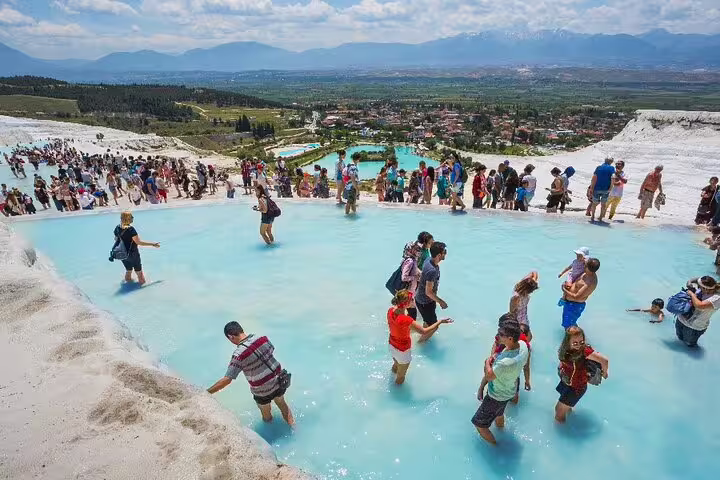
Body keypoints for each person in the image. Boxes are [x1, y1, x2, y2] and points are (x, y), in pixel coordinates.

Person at [207, 321, 294, 425]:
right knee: (282, 405)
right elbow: (271, 349)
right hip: (278, 382)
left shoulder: (238, 355)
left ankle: (270, 433)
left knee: (266, 415)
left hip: (262, 391)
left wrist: (207, 392)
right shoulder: (262, 339)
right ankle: (294, 427)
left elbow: (227, 379)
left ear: (231, 337)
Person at [472, 321, 529, 445]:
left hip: (496, 396)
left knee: (479, 425)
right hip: (510, 390)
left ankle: (496, 447)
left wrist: (487, 361)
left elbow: (489, 376)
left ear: (510, 338)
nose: (498, 336)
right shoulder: (523, 345)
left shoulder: (504, 363)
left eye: (501, 334)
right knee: (499, 413)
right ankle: (501, 430)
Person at [387, 290, 453, 385]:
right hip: (403, 350)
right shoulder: (407, 320)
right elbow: (424, 331)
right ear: (406, 304)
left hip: (392, 345)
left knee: (396, 364)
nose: (413, 300)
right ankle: (395, 393)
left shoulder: (390, 311)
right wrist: (440, 322)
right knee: (401, 376)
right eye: (412, 299)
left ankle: (392, 376)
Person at [555, 326, 609, 423]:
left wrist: (605, 373)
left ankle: (562, 433)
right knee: (565, 408)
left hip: (576, 388)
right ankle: (569, 414)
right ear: (567, 342)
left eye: (582, 342)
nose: (579, 345)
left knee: (558, 413)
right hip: (567, 382)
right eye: (575, 343)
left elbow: (604, 360)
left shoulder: (585, 351)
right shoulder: (565, 349)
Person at [478, 314, 531, 405]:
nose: (499, 334)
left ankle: (508, 402)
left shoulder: (520, 340)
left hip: (510, 368)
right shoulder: (518, 341)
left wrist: (527, 380)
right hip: (503, 362)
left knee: (512, 391)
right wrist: (492, 355)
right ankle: (481, 388)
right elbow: (495, 344)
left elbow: (526, 364)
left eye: (501, 332)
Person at [112, 211, 160, 285]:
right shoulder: (131, 229)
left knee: (128, 270)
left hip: (122, 254)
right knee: (139, 273)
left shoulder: (117, 227)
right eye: (131, 217)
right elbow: (139, 242)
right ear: (128, 218)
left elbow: (116, 239)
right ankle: (142, 291)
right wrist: (153, 244)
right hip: (133, 254)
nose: (133, 218)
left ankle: (128, 287)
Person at [415, 242, 448, 341]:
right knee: (434, 326)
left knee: (427, 321)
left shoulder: (428, 259)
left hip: (421, 299)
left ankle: (422, 334)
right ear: (439, 255)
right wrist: (441, 302)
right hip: (425, 302)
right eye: (444, 252)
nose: (445, 253)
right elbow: (428, 292)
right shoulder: (432, 270)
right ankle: (420, 343)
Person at [675, 276, 720, 347]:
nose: (699, 288)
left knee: (689, 346)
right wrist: (690, 282)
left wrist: (692, 294)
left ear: (705, 288)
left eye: (700, 287)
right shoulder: (700, 290)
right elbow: (696, 279)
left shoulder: (717, 298)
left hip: (694, 327)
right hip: (681, 320)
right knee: (680, 340)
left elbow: (699, 305)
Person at [559, 257, 600, 328]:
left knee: (568, 326)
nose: (583, 265)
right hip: (571, 303)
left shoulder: (589, 282)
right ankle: (575, 336)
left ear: (588, 267)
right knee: (570, 323)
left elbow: (576, 296)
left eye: (585, 265)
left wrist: (564, 289)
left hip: (574, 305)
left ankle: (574, 338)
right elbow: (585, 259)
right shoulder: (588, 272)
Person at [509, 272, 539, 340]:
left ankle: (526, 347)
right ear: (526, 289)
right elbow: (512, 311)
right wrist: (515, 324)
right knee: (525, 337)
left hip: (524, 315)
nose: (531, 292)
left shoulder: (526, 284)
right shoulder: (516, 297)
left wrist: (533, 280)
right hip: (518, 318)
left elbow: (534, 273)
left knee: (529, 337)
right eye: (531, 291)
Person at [587, 157, 615, 222]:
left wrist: (591, 188)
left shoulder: (598, 167)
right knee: (603, 204)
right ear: (611, 162)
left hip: (596, 188)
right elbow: (613, 177)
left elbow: (594, 178)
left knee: (594, 203)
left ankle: (593, 217)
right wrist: (611, 188)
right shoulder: (611, 168)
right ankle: (600, 218)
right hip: (606, 189)